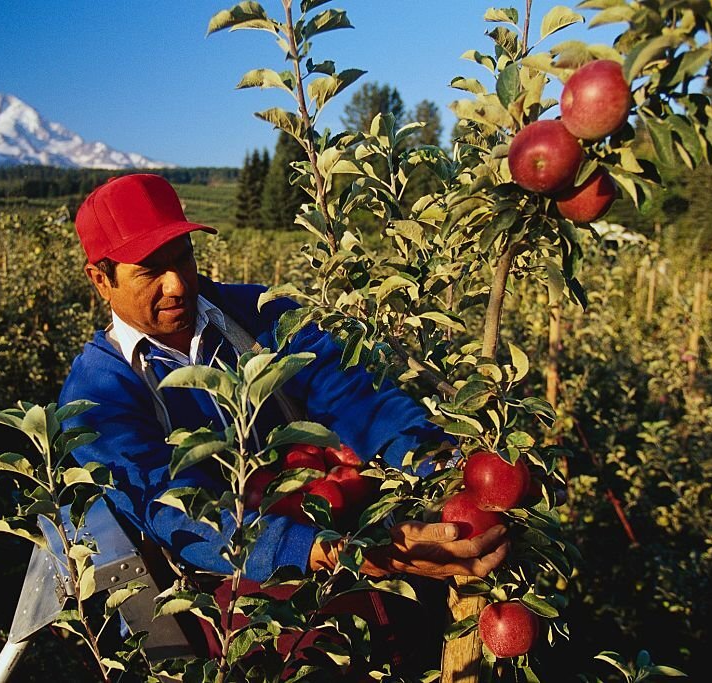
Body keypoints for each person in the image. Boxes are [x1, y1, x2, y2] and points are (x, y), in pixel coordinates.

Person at [58, 173, 508, 671]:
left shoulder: (259, 315)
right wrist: (322, 551)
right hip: (246, 596)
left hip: (352, 538)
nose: (178, 283)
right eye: (149, 271)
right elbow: (173, 508)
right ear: (101, 279)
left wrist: (436, 468)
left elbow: (355, 395)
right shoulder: (98, 394)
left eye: (183, 256)